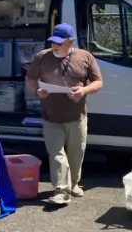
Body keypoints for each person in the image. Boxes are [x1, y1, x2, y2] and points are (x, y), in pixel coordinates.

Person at [26, 24, 103, 206]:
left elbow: (98, 81)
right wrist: (37, 91)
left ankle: (74, 184)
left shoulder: (85, 56)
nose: (55, 46)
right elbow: (30, 79)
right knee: (57, 154)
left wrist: (83, 90)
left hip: (77, 117)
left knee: (76, 154)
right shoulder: (42, 57)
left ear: (71, 42)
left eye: (60, 43)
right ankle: (61, 190)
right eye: (53, 42)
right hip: (50, 116)